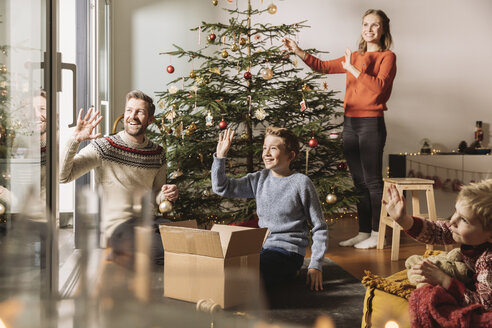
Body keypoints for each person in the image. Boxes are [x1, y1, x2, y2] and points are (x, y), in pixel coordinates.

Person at [283, 9, 397, 249]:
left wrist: (353, 69)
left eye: (375, 25)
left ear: (383, 29)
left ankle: (379, 234)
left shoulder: (388, 57)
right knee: (358, 182)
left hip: (371, 124)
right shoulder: (354, 56)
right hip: (350, 123)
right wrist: (298, 50)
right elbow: (322, 66)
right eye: (366, 24)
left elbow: (377, 88)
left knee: (373, 182)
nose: (369, 29)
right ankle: (364, 231)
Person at [60, 90, 178, 265]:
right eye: (129, 110)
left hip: (147, 222)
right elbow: (63, 176)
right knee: (167, 252)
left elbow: (156, 194)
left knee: (188, 243)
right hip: (116, 226)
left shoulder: (157, 153)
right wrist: (75, 140)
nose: (132, 116)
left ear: (150, 119)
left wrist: (168, 194)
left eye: (140, 112)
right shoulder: (105, 147)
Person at [211, 127, 328, 291]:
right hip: (262, 249)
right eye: (265, 147)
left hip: (289, 253)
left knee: (246, 278)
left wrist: (315, 264)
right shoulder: (259, 179)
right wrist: (220, 157)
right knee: (226, 269)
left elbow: (319, 226)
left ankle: (289, 272)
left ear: (291, 156)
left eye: (273, 148)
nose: (266, 153)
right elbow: (221, 188)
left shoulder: (301, 183)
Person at [384, 180, 492, 318]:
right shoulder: (472, 236)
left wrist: (443, 280)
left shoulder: (488, 260)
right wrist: (404, 220)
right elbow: (438, 231)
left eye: (464, 220)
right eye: (456, 212)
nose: (452, 221)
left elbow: (485, 306)